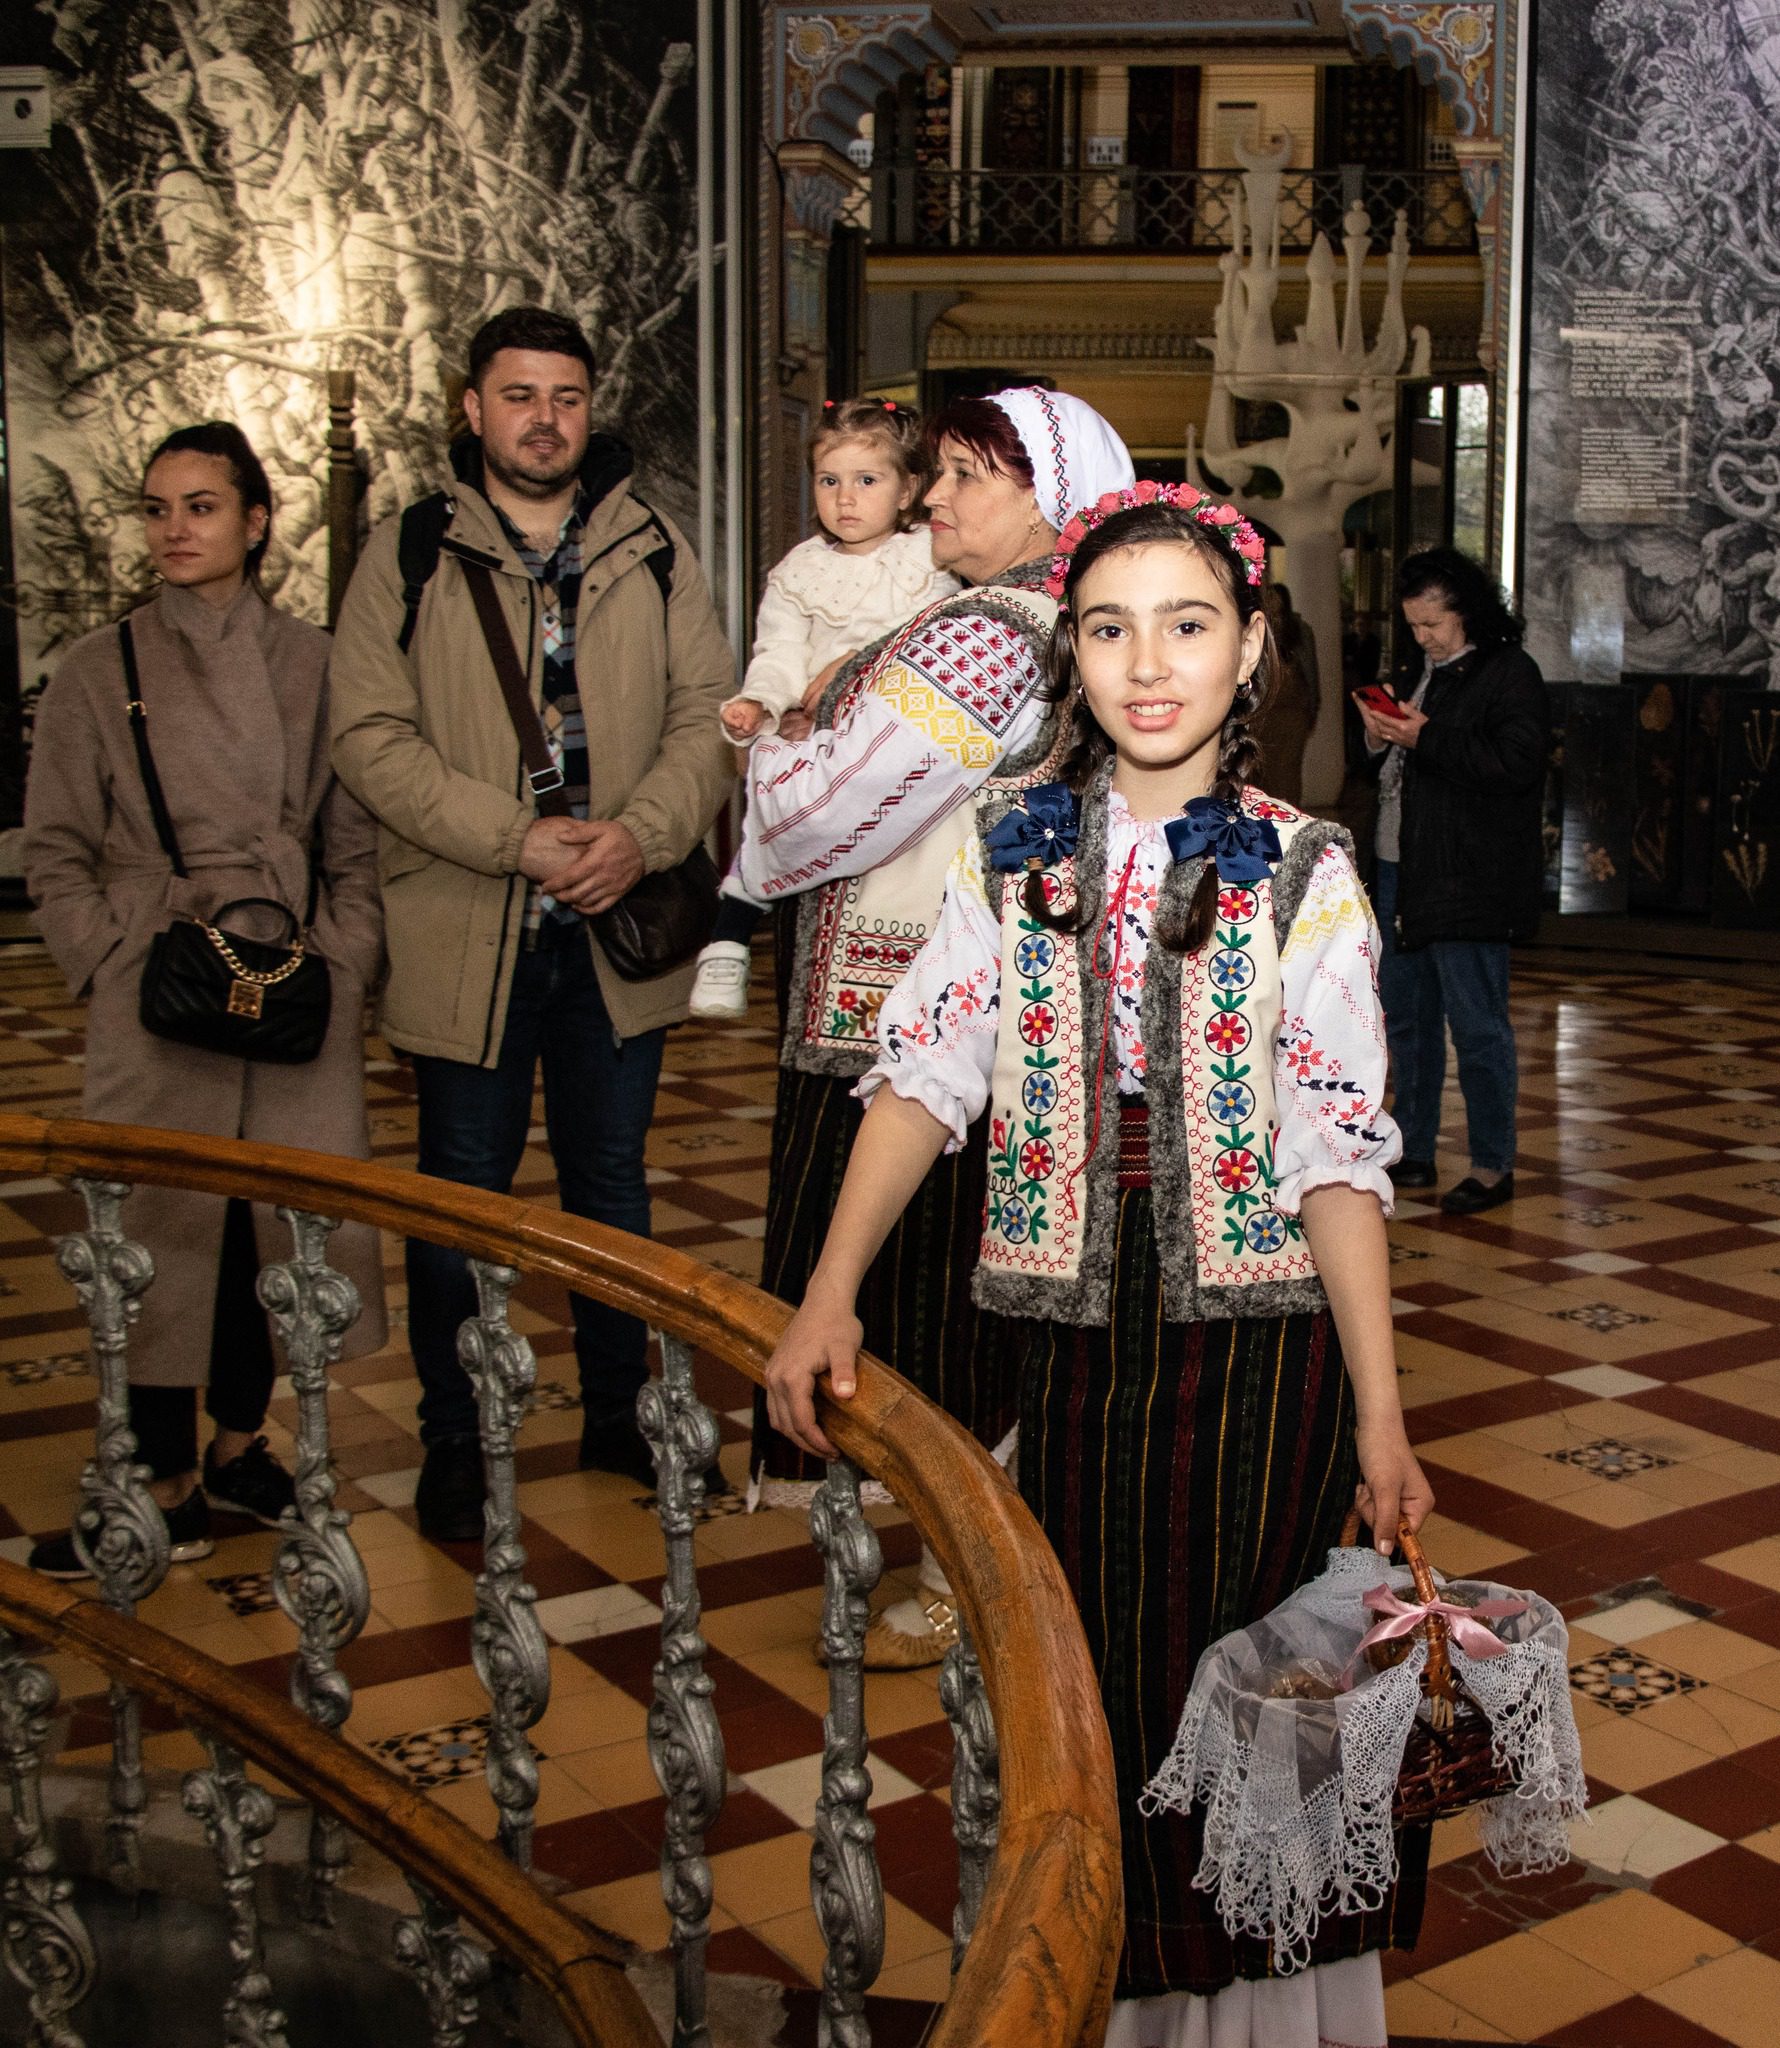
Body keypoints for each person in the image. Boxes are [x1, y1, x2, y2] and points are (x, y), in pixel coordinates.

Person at [764, 486, 1434, 2044]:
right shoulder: (1014, 855)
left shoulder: (1304, 868)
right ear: (1070, 649)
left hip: (1260, 1353)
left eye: (1188, 626)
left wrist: (1383, 1419)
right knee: (1090, 1696)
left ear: (1250, 649)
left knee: (1257, 1701)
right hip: (1065, 1339)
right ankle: (1096, 2000)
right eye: (1111, 627)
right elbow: (925, 1076)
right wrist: (828, 1290)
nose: (1148, 663)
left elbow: (1338, 1159)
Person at [743, 387, 1135, 1666]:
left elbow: (821, 812)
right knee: (963, 1287)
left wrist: (779, 753)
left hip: (910, 1016)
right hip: (954, 1006)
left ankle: (960, 1572)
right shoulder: (1039, 618)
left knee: (934, 1301)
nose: (931, 497)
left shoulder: (992, 629)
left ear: (1048, 498)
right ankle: (964, 1556)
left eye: (968, 474)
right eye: (939, 471)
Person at [329, 307, 735, 1541]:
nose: (544, 419)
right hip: (468, 924)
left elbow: (708, 713)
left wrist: (639, 837)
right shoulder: (411, 551)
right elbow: (368, 736)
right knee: (461, 1198)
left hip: (613, 932)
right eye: (519, 395)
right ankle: (457, 1442)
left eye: (566, 395)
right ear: (473, 408)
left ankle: (620, 1416)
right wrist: (518, 837)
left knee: (612, 1185)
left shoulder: (651, 544)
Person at [23, 421, 388, 1574]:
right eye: (157, 508)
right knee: (154, 1224)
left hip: (290, 969)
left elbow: (355, 841)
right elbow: (53, 845)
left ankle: (237, 1445)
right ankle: (157, 1479)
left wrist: (343, 955)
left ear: (256, 520)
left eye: (201, 506)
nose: (174, 529)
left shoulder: (318, 664)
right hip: (156, 975)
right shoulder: (100, 666)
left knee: (268, 1224)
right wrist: (107, 954)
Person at [688, 397, 957, 1022]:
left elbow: (933, 638)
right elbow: (780, 650)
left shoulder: (931, 558)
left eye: (867, 480)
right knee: (774, 813)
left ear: (907, 489)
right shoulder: (799, 570)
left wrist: (855, 665)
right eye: (829, 481)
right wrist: (760, 700)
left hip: (891, 735)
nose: (845, 499)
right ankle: (730, 935)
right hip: (811, 734)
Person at [1356, 546, 1549, 1216]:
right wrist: (1379, 737)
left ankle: (1493, 1164)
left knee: (1477, 1025)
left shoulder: (1509, 673)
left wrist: (1424, 738)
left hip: (1468, 875)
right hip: (1400, 868)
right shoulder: (1421, 671)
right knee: (1408, 1019)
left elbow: (1516, 765)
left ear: (1468, 611)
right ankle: (1414, 1147)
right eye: (1413, 625)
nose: (1423, 637)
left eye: (1433, 623)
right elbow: (1396, 765)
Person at [1251, 581, 1319, 806]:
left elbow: (1311, 670)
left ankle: (1289, 813)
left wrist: (1313, 707)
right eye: (1268, 596)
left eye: (1275, 596)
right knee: (1264, 772)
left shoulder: (1299, 630)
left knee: (1288, 770)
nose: (1272, 600)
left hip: (1293, 714)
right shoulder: (1258, 629)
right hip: (1265, 714)